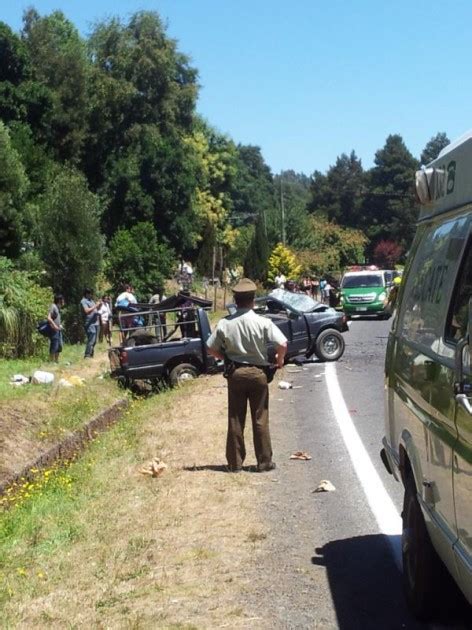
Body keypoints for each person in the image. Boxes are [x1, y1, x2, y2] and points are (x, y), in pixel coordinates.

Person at [207, 278, 288, 473]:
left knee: (236, 418)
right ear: (253, 300)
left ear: (235, 300)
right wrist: (279, 360)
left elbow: (210, 348)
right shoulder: (262, 321)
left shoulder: (225, 323)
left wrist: (225, 357)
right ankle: (264, 461)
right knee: (260, 418)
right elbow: (282, 343)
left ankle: (235, 463)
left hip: (236, 372)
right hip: (258, 373)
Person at [81, 288, 101, 358]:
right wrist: (95, 305)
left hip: (96, 323)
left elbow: (95, 309)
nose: (91, 295)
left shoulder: (91, 301)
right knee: (91, 340)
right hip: (89, 323)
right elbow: (86, 311)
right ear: (86, 294)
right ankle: (87, 355)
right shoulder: (83, 301)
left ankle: (91, 354)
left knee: (95, 340)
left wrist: (99, 305)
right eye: (90, 294)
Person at [47, 294, 64, 362]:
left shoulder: (57, 308)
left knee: (59, 346)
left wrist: (59, 325)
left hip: (58, 330)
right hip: (54, 330)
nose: (63, 301)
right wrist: (55, 326)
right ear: (59, 300)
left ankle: (56, 361)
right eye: (62, 300)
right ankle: (51, 361)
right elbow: (48, 318)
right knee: (54, 345)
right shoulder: (53, 306)